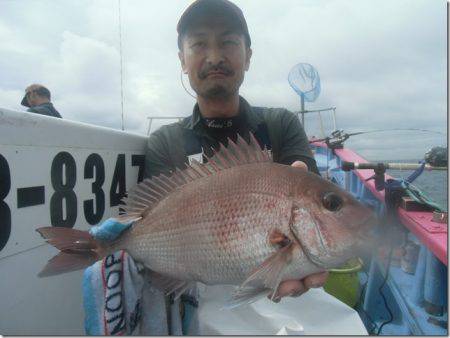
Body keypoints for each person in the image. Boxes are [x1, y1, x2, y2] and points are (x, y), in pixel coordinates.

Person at [144, 0, 327, 301]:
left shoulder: (281, 124)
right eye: (199, 44)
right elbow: (153, 222)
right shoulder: (165, 142)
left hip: (280, 294)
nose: (214, 57)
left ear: (248, 56)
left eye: (228, 42)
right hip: (198, 295)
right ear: (182, 59)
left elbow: (311, 221)